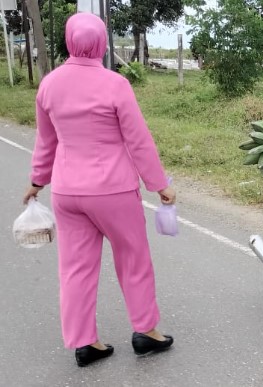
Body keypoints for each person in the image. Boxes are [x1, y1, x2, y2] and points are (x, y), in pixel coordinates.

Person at [21, 13, 174, 367]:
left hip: (67, 192)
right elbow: (138, 140)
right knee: (133, 259)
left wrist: (36, 181)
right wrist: (159, 185)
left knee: (75, 267)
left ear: (69, 41)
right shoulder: (114, 84)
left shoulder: (49, 84)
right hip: (113, 191)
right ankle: (146, 332)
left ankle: (85, 342)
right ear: (102, 43)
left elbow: (46, 141)